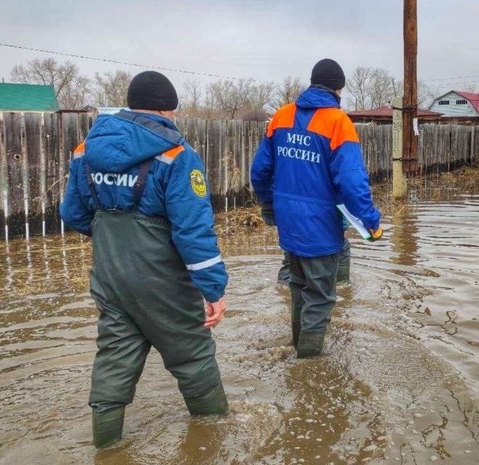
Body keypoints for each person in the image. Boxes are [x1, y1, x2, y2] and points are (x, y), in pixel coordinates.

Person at [60, 71, 229, 449]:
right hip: (161, 279)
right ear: (168, 109)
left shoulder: (85, 149)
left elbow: (73, 214)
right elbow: (193, 231)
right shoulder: (176, 154)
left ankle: (106, 448)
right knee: (193, 356)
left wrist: (113, 238)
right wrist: (214, 289)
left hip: (109, 275)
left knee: (115, 358)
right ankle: (216, 438)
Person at [251, 58, 383, 358]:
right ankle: (308, 368)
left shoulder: (281, 116)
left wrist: (269, 207)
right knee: (321, 298)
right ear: (339, 90)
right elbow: (352, 182)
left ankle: (297, 348)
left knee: (298, 289)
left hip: (289, 223)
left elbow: (259, 171)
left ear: (311, 83)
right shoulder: (338, 122)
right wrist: (370, 221)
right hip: (321, 226)